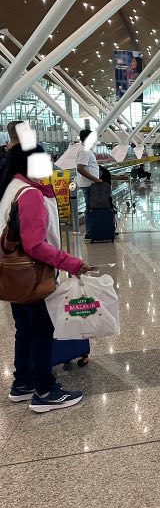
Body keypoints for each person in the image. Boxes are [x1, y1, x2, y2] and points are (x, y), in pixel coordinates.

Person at [0, 144, 92, 412]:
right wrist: (72, 263)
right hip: (32, 275)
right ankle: (45, 391)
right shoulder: (29, 194)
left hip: (13, 275)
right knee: (42, 331)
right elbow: (35, 245)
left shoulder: (11, 188)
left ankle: (23, 383)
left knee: (25, 330)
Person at [76, 128, 102, 209]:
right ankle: (90, 221)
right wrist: (95, 179)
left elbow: (86, 166)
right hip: (89, 185)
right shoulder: (84, 150)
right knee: (91, 208)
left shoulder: (85, 149)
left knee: (91, 207)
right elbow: (80, 168)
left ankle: (92, 221)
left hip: (89, 184)